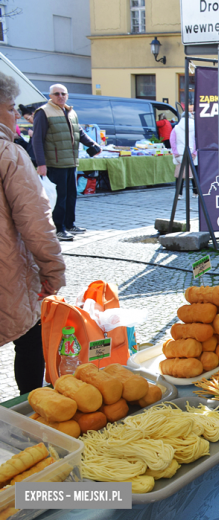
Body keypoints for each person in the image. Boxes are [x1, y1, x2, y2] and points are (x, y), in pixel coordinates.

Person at [0, 73, 65, 394]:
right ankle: (32, 409)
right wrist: (53, 273)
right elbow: (36, 223)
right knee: (29, 338)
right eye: (11, 108)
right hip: (8, 272)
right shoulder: (9, 154)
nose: (15, 115)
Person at [31, 84, 100, 241]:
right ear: (50, 96)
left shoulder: (70, 111)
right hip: (55, 163)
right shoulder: (43, 112)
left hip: (71, 161)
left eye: (63, 93)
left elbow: (79, 132)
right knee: (59, 197)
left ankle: (70, 224)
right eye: (56, 94)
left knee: (71, 195)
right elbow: (37, 140)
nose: (60, 96)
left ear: (67, 95)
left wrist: (93, 145)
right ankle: (59, 228)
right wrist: (41, 163)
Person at [170, 105, 198, 199]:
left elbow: (172, 140)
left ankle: (179, 193)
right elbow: (197, 141)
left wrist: (175, 151)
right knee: (194, 173)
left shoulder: (176, 128)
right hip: (192, 153)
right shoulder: (195, 127)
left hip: (180, 153)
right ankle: (196, 192)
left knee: (179, 174)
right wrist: (194, 152)